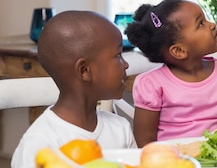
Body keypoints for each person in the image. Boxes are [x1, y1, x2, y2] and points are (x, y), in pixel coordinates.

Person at [11, 11, 136, 168]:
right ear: (84, 70)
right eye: (118, 55)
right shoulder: (40, 143)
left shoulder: (120, 128)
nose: (126, 65)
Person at [125, 0, 217, 147]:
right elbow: (146, 143)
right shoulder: (152, 85)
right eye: (201, 24)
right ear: (179, 51)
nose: (212, 25)